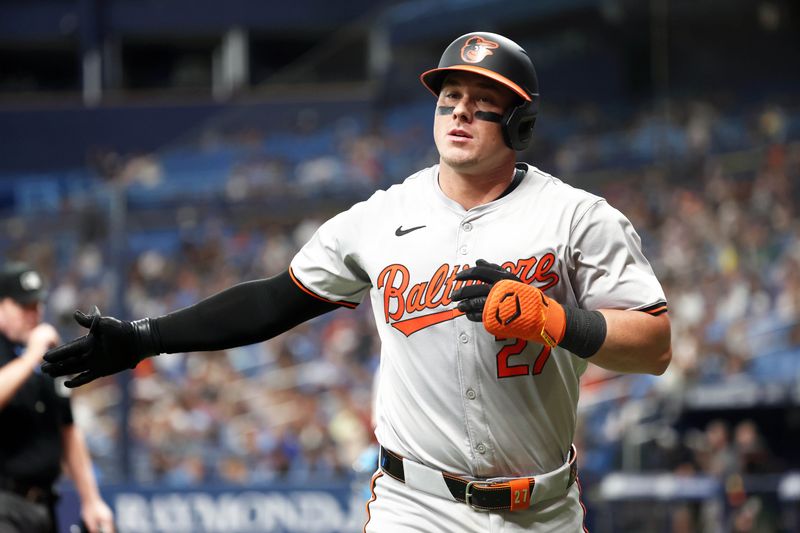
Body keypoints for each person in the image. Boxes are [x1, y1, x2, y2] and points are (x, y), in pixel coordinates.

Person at [42, 31, 671, 532]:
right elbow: (274, 300)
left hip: (542, 510)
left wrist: (553, 320)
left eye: (482, 107)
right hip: (415, 505)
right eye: (449, 100)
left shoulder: (577, 217)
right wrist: (147, 337)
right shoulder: (380, 218)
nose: (459, 113)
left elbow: (654, 345)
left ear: (521, 126)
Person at [0, 263, 115, 533]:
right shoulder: (31, 351)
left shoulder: (46, 355)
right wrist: (31, 355)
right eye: (24, 306)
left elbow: (69, 429)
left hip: (45, 505)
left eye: (37, 305)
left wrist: (91, 499)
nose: (34, 313)